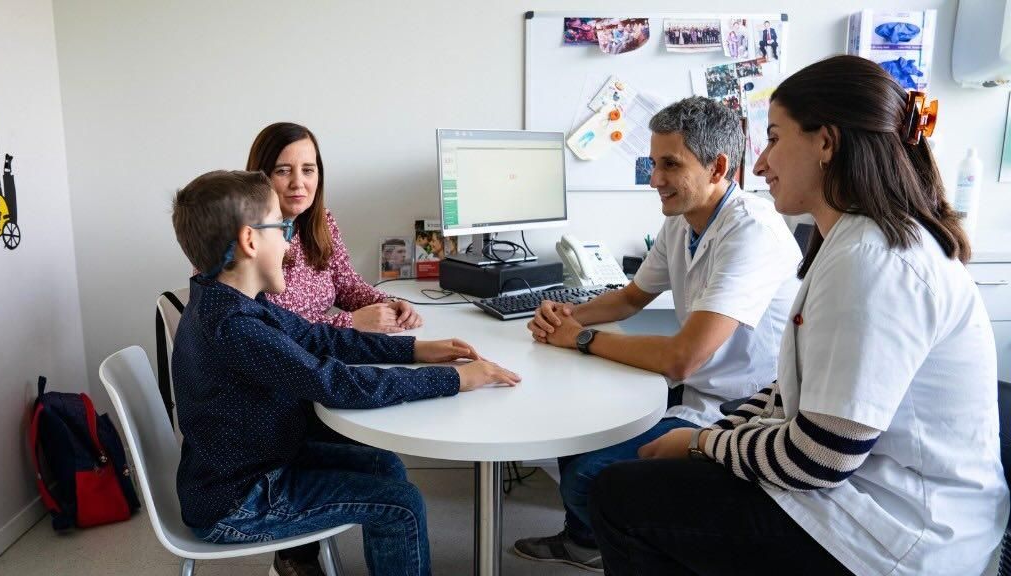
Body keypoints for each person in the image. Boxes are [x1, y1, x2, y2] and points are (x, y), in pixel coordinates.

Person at [588, 55, 1009, 576]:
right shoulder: (852, 241)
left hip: (896, 533)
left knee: (618, 495)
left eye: (774, 138)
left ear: (826, 143)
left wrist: (702, 443)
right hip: (857, 487)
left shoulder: (873, 261)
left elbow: (820, 459)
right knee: (644, 478)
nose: (761, 164)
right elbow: (794, 394)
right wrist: (720, 431)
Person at [170, 170, 520, 576]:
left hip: (250, 467)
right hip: (242, 499)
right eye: (283, 227)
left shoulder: (231, 299)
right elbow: (336, 384)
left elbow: (319, 338)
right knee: (401, 507)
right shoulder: (235, 327)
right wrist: (457, 380)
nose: (289, 241)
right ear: (250, 241)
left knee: (385, 466)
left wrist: (416, 349)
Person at [513, 96, 802, 572]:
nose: (654, 179)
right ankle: (586, 540)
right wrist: (569, 316)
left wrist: (580, 339)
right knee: (573, 422)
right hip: (696, 387)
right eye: (652, 163)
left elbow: (681, 359)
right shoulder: (682, 221)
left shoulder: (751, 232)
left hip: (743, 408)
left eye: (670, 165)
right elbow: (629, 299)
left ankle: (631, 544)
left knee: (588, 477)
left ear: (719, 167)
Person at [248, 122, 420, 334]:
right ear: (260, 176)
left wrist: (388, 303)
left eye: (308, 170)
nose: (298, 183)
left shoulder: (323, 221)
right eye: (283, 171)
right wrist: (350, 322)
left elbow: (346, 285)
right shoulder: (242, 237)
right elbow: (266, 330)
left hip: (330, 350)